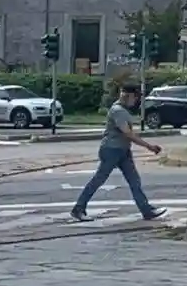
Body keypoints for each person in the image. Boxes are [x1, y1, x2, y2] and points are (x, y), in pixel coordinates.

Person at [71, 82, 166, 223]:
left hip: (123, 150)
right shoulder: (118, 111)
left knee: (134, 181)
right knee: (99, 180)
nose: (136, 100)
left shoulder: (122, 110)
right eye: (135, 97)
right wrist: (149, 146)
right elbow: (128, 133)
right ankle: (78, 209)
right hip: (111, 150)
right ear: (128, 96)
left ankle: (146, 210)